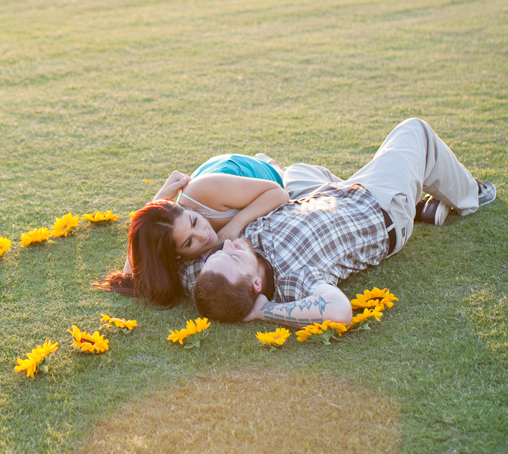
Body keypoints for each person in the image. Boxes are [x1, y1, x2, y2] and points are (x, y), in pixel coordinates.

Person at [185, 119, 496, 325]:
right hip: (378, 206)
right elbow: (339, 311)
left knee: (294, 173)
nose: (227, 244)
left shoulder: (215, 281)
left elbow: (163, 256)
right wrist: (265, 312)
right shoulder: (297, 280)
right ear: (256, 284)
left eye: (218, 254)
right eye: (234, 255)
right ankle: (470, 196)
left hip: (328, 197)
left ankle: (417, 197)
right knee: (415, 131)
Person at [96, 153, 292, 306]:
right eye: (189, 242)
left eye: (194, 221)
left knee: (287, 179)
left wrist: (234, 225)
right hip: (225, 186)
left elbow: (279, 193)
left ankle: (269, 162)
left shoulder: (202, 191)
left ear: (187, 210)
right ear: (177, 254)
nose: (203, 235)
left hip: (244, 172)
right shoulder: (172, 247)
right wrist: (157, 199)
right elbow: (131, 274)